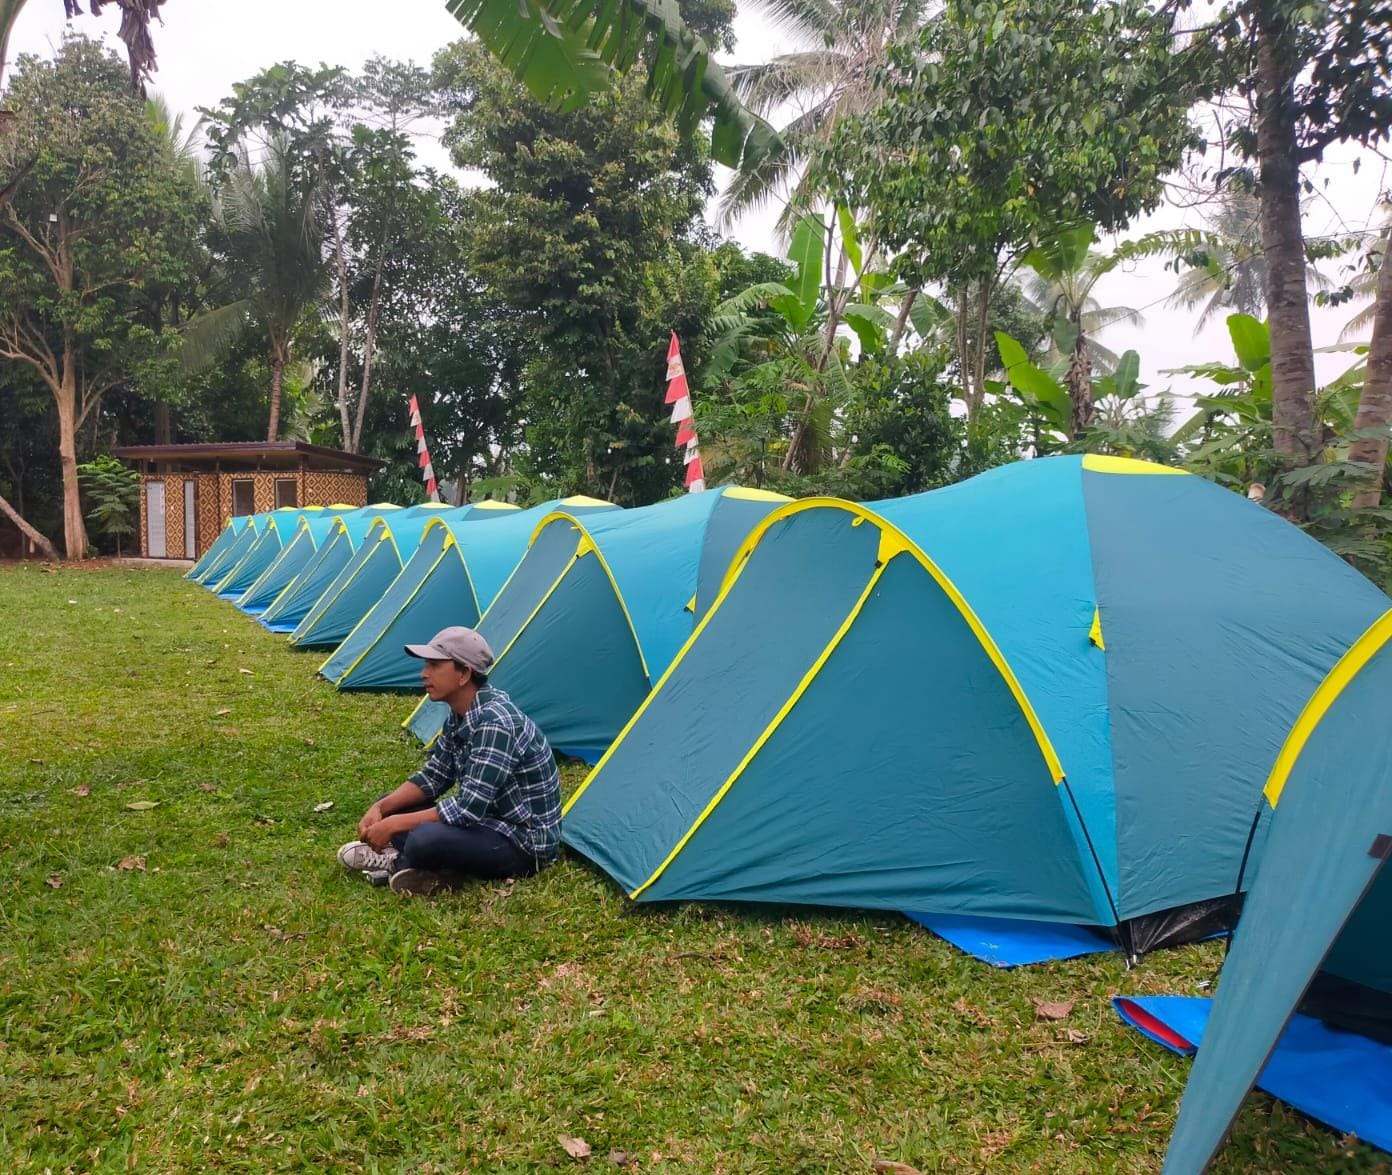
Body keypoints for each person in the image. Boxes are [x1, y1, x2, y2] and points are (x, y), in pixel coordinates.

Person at [336, 626, 562, 896]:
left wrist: (393, 825)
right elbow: (435, 776)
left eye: (434, 665)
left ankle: (400, 862)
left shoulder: (497, 723)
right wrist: (382, 809)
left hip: (522, 842)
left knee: (424, 838)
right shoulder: (460, 714)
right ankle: (425, 867)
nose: (424, 673)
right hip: (485, 825)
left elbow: (468, 808)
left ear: (464, 674)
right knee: (396, 807)